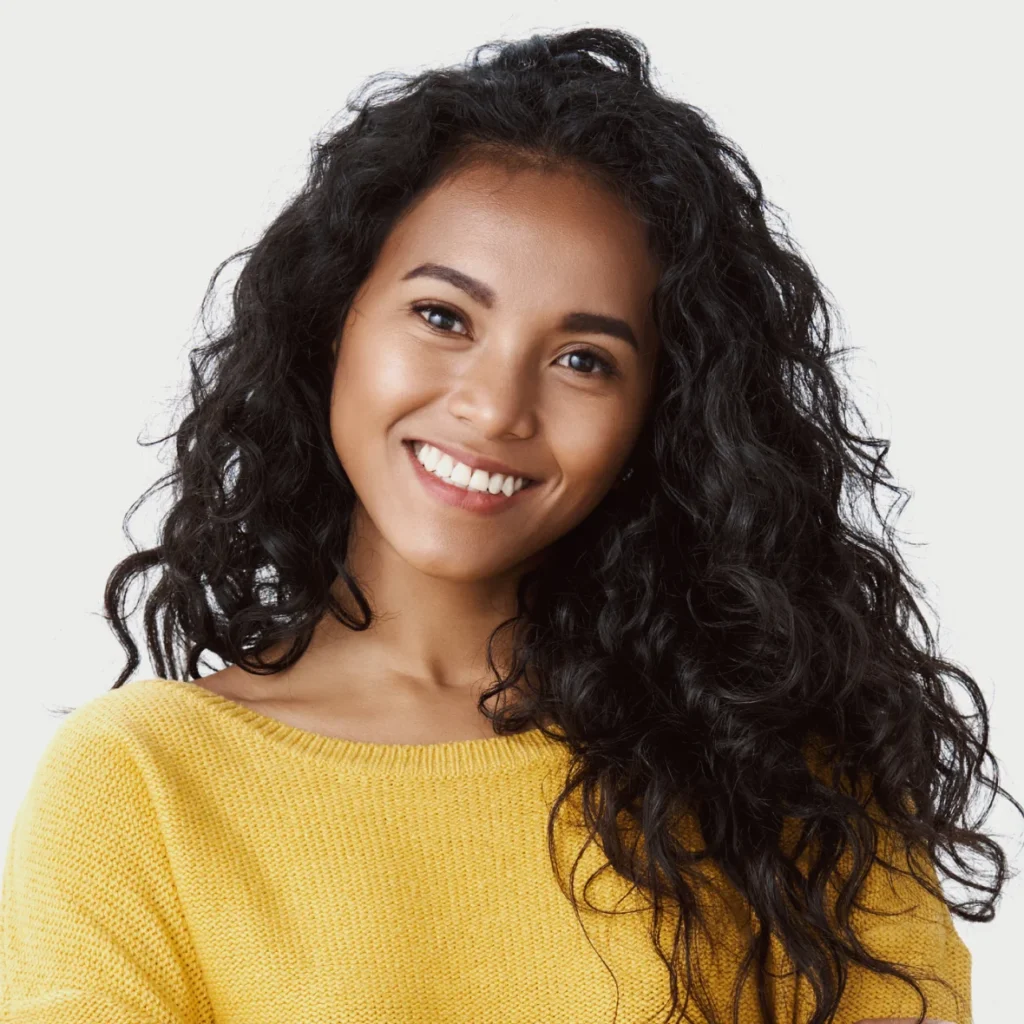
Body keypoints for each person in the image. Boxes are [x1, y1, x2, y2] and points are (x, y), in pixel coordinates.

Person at [1, 26, 1012, 1024]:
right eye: (444, 316)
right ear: (330, 321)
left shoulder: (786, 778)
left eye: (584, 359)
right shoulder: (144, 784)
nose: (494, 407)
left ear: (656, 417)